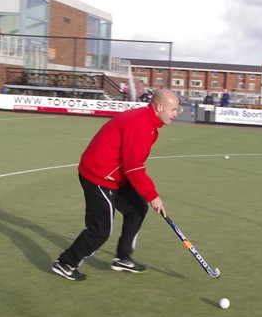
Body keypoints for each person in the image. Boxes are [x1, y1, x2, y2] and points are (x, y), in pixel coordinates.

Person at [52, 89, 180, 281]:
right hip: (97, 175)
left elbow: (131, 165)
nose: (176, 114)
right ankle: (65, 263)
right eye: (173, 109)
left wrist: (148, 196)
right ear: (159, 107)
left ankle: (123, 257)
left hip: (115, 175)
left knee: (137, 208)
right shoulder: (141, 124)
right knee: (100, 230)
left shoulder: (150, 123)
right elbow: (134, 167)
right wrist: (152, 196)